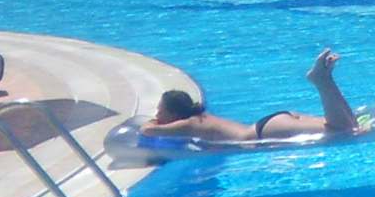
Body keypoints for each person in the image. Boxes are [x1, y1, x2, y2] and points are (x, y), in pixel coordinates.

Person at [145, 49, 361, 143]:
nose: (156, 114)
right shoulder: (201, 118)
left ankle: (322, 80)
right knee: (350, 126)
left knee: (343, 130)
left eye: (160, 111)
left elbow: (148, 130)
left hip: (261, 132)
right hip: (271, 123)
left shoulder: (189, 124)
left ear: (173, 114)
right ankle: (325, 78)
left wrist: (153, 122)